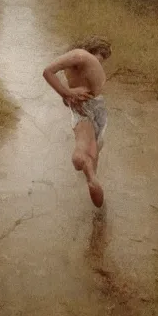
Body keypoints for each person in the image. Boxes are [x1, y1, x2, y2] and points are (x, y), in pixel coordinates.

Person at [43, 36, 112, 208]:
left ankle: (91, 175)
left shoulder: (82, 64)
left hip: (96, 107)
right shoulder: (78, 56)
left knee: (93, 148)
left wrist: (68, 94)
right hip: (86, 106)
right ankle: (88, 170)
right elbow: (47, 72)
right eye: (97, 58)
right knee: (83, 148)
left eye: (100, 62)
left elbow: (70, 91)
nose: (96, 64)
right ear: (89, 50)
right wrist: (67, 94)